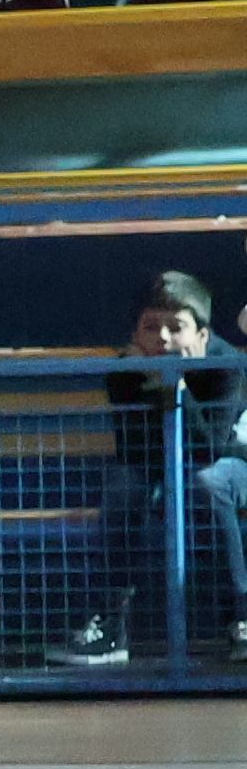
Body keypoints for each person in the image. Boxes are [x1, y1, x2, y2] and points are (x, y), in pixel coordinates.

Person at [70, 269, 247, 668]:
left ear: (201, 336)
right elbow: (132, 447)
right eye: (151, 328)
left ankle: (241, 617)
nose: (163, 339)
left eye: (176, 328)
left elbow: (210, 448)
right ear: (135, 335)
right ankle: (109, 625)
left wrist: (176, 389)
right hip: (154, 466)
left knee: (209, 481)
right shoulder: (127, 369)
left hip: (228, 466)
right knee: (122, 485)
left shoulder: (226, 367)